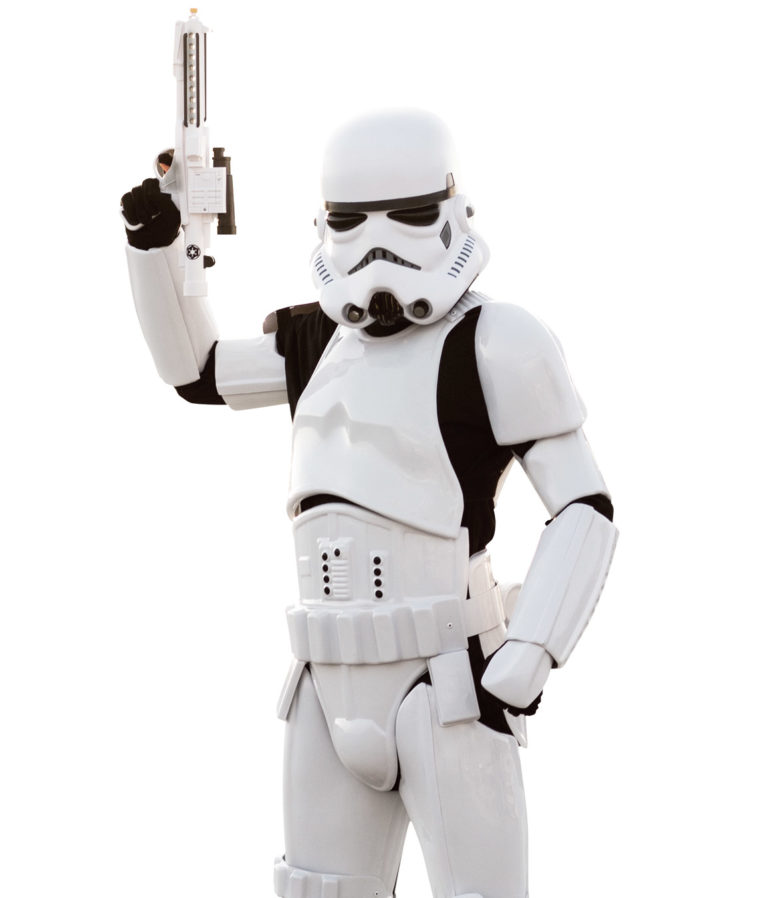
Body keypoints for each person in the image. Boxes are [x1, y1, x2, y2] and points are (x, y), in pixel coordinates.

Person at [122, 108, 617, 898]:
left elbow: (585, 506)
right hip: (324, 685)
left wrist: (532, 651)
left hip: (448, 680)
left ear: (452, 210)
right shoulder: (312, 340)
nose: (379, 246)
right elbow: (198, 372)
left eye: (410, 216)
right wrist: (154, 247)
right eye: (353, 222)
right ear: (325, 222)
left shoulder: (496, 340)